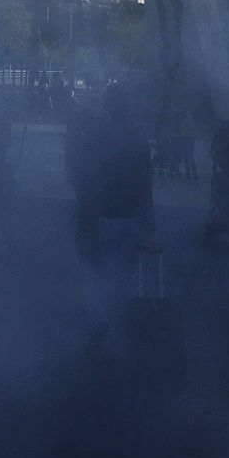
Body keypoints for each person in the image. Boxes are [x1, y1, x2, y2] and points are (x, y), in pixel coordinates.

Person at [70, 83, 155, 357]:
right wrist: (150, 224)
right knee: (125, 275)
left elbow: (80, 177)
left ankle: (100, 321)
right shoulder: (138, 141)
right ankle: (119, 327)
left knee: (94, 272)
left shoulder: (92, 137)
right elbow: (146, 187)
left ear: (105, 106)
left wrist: (84, 211)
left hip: (100, 216)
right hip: (130, 218)